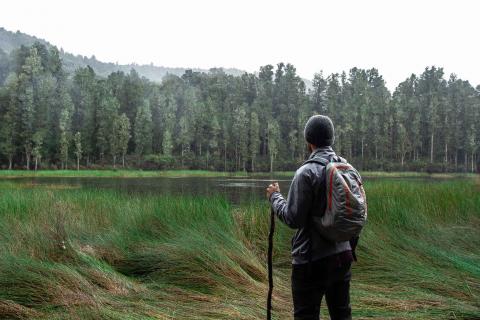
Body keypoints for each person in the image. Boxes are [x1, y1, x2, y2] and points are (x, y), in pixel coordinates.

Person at [266, 115, 353, 320]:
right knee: (342, 315)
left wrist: (274, 197)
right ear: (331, 139)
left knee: (306, 316)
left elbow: (293, 219)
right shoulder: (347, 168)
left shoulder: (306, 173)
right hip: (343, 255)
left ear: (309, 140)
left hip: (311, 261)